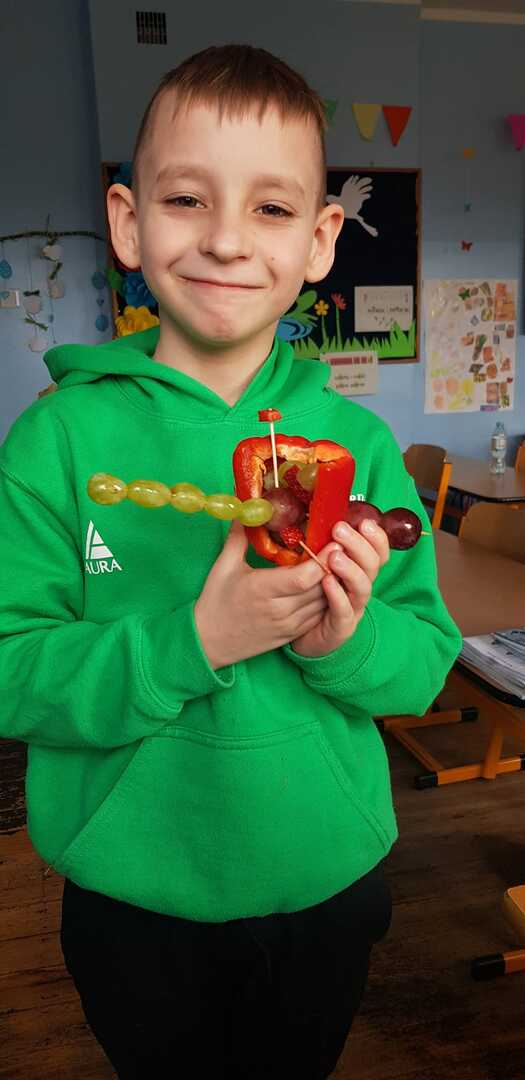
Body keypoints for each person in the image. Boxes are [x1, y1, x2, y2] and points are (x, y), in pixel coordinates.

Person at [0, 43, 461, 1080]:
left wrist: (344, 643)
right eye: (185, 199)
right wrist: (196, 640)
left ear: (319, 239)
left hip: (326, 874)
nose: (224, 238)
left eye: (270, 207)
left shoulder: (360, 445)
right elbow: (9, 670)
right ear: (128, 223)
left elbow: (421, 665)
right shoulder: (57, 441)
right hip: (130, 891)